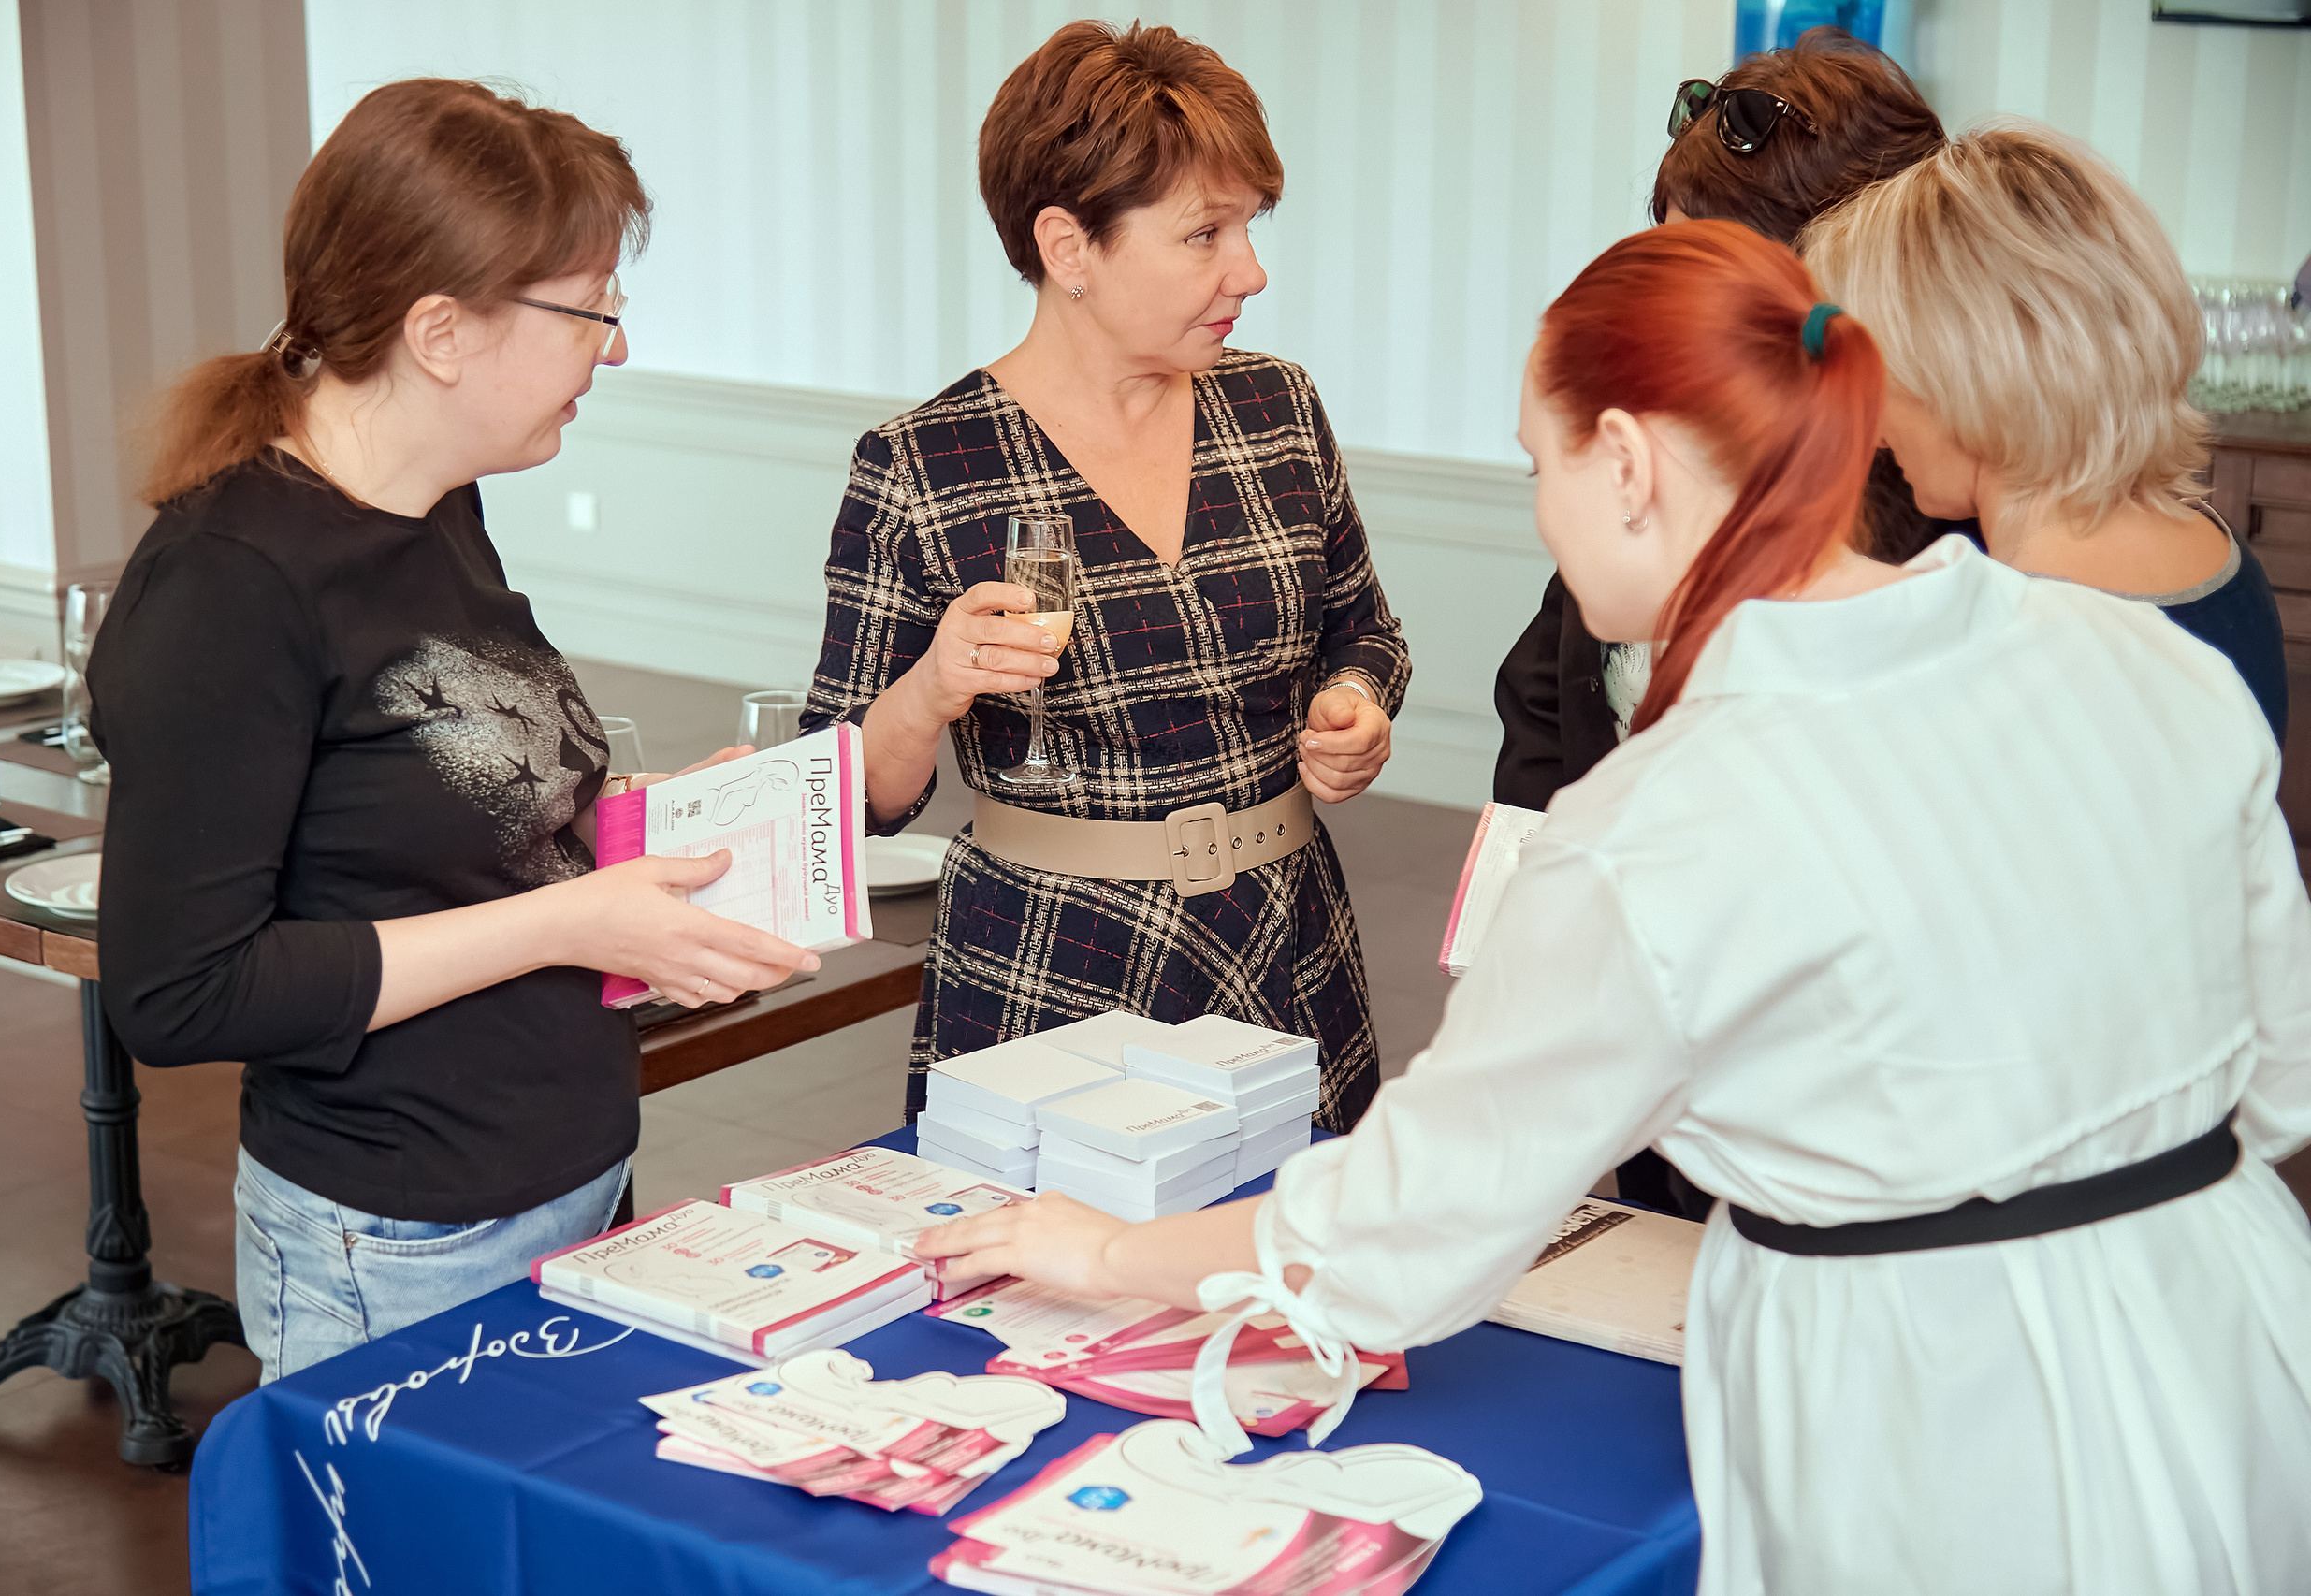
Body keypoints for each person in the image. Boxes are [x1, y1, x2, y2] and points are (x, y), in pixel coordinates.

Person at [916, 220, 2311, 1594]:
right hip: (2235, 1313)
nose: (1541, 510)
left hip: (1935, 1408)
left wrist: (1098, 1245)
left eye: (1541, 465)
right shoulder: (2143, 660)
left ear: (1629, 462)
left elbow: (1408, 1229)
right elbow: (2286, 1071)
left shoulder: (1666, 821)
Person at [90, 80, 814, 1382]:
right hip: (397, 1235)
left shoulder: (436, 503)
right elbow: (179, 991)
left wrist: (637, 818)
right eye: (592, 308)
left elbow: (436, 800)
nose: (617, 345)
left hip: (559, 1171)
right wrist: (572, 919)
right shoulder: (226, 587)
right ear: (440, 330)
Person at [804, 22, 1409, 1132]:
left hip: (1287, 933)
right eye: (1203, 235)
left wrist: (1357, 701)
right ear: (1068, 245)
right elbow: (846, 801)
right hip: (1053, 963)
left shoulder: (1275, 407)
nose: (1251, 271)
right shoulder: (924, 465)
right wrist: (933, 685)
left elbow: (1361, 626)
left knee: (1294, 1282)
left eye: (1250, 227)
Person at [1499, 27, 1948, 1218]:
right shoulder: (1652, 446)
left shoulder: (1943, 526)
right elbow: (1546, 690)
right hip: (1641, 1067)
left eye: (1712, 248)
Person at [1803, 119, 2287, 742]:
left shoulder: (1995, 655)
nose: (1872, 432)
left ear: (1967, 374)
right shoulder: (2226, 564)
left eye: (1877, 377)